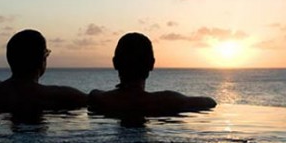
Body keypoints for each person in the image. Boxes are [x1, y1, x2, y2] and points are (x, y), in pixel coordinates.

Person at [88, 32, 216, 117]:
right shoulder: (169, 101)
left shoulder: (98, 99)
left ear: (115, 63)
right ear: (152, 64)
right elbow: (210, 102)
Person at [0, 29, 87, 116]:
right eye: (46, 54)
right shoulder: (55, 95)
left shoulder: (1, 92)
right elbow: (95, 99)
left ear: (9, 58)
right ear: (42, 59)